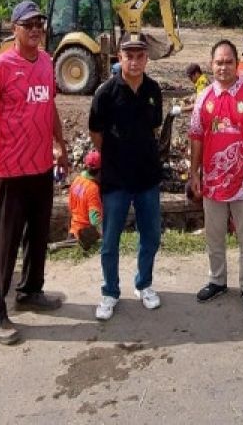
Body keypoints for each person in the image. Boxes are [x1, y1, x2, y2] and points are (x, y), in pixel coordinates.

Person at [0, 0, 70, 345]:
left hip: (41, 166)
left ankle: (31, 290)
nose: (35, 30)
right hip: (10, 171)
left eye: (39, 24)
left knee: (38, 235)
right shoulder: (1, 66)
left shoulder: (46, 61)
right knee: (3, 245)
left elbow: (50, 106)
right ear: (14, 28)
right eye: (28, 24)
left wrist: (60, 145)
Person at [188, 39, 243, 313]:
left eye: (228, 62)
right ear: (211, 65)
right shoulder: (203, 99)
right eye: (218, 62)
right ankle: (217, 280)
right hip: (212, 182)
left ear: (237, 64)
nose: (223, 67)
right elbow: (197, 138)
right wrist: (194, 174)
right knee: (214, 236)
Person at [88, 34, 165, 321]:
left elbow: (154, 127)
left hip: (147, 176)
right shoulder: (106, 93)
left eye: (139, 55)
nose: (134, 61)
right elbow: (96, 131)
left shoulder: (153, 90)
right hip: (116, 179)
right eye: (128, 55)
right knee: (110, 239)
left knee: (151, 235)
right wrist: (115, 154)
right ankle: (110, 291)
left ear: (146, 58)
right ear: (119, 58)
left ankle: (144, 284)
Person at [68, 150, 103, 249]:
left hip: (72, 233)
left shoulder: (77, 180)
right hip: (85, 236)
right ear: (100, 170)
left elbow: (70, 209)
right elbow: (94, 219)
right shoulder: (92, 188)